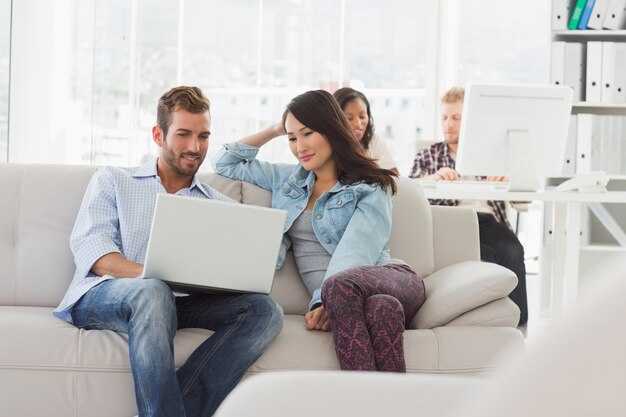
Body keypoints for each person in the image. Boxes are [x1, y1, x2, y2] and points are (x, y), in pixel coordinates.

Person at [53, 86, 283, 417]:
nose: (195, 147)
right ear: (158, 134)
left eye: (203, 136)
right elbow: (98, 256)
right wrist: (154, 274)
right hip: (103, 297)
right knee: (153, 290)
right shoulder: (114, 180)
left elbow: (233, 269)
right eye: (184, 134)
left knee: (265, 310)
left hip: (177, 303)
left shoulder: (220, 206)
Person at [213, 90, 425, 372]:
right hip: (362, 299)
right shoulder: (285, 179)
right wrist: (279, 127)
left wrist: (325, 301)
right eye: (292, 138)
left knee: (343, 288)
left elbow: (356, 250)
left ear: (331, 129)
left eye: (308, 132)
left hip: (394, 279)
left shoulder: (372, 186)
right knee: (382, 310)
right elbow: (225, 162)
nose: (300, 146)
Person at [409, 86, 528, 326]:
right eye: (444, 117)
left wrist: (511, 183)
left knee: (512, 249)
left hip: (486, 220)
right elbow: (408, 191)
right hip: (449, 221)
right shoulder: (430, 155)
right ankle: (486, 323)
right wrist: (432, 179)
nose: (448, 124)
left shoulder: (495, 156)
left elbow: (523, 203)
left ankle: (518, 324)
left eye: (456, 118)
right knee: (481, 256)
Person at [333, 87, 400, 174]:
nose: (358, 124)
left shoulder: (374, 139)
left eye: (362, 116)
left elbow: (394, 175)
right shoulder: (328, 146)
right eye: (349, 118)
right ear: (335, 120)